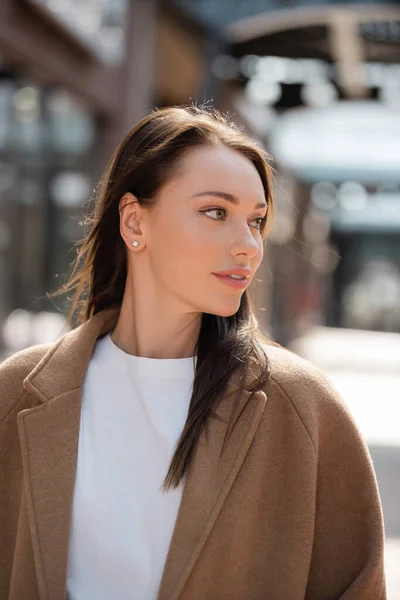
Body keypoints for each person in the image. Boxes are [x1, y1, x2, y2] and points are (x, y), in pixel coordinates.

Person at [0, 105, 386, 600]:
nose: (248, 244)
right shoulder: (19, 393)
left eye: (256, 220)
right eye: (216, 212)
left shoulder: (302, 409)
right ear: (134, 222)